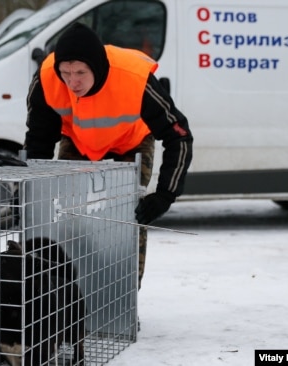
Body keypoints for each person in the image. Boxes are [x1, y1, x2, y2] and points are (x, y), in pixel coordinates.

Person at [24, 23, 193, 289]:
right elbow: (39, 139)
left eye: (80, 72)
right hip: (78, 140)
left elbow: (179, 136)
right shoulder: (47, 77)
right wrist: (36, 191)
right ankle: (69, 290)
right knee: (69, 214)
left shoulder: (134, 77)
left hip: (132, 140)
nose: (72, 81)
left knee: (128, 214)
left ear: (97, 67)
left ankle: (125, 295)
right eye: (66, 73)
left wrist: (165, 195)